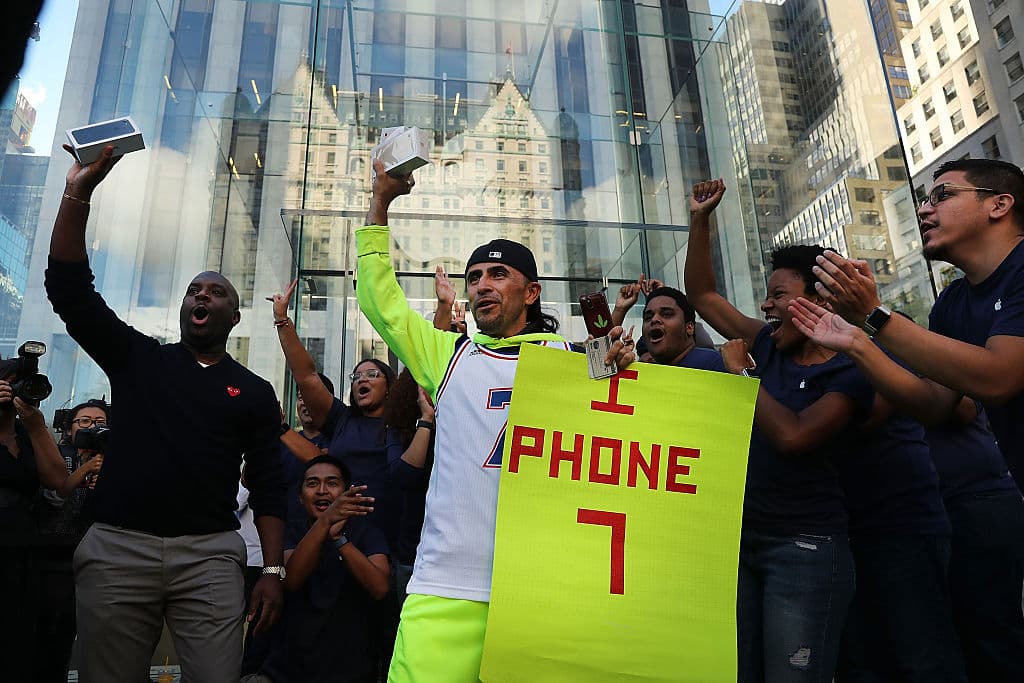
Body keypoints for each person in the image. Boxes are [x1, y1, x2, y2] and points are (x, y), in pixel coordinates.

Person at [358, 159, 634, 681]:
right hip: (445, 587)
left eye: (498, 274)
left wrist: (621, 361)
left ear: (531, 292)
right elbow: (381, 303)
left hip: (539, 592)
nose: (482, 285)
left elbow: (620, 409)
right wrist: (381, 201)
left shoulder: (571, 358)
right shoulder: (448, 356)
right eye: (474, 278)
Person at [45, 144, 286, 681]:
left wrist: (272, 569)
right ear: (184, 309)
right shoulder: (138, 359)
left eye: (216, 292)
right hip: (117, 550)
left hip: (210, 559)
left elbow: (270, 485)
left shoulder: (254, 392)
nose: (202, 295)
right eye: (194, 290)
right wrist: (77, 193)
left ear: (234, 314)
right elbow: (68, 290)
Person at [686, 179, 873, 682]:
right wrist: (700, 219)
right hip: (745, 543)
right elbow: (703, 295)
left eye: (778, 296)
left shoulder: (851, 370)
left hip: (805, 550)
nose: (765, 308)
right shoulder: (768, 344)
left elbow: (793, 436)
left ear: (821, 303)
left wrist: (743, 378)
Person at [790, 302, 1024, 681]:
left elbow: (957, 407)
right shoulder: (861, 361)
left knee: (984, 634)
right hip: (911, 514)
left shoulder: (915, 361)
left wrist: (898, 368)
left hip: (972, 503)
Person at [804, 159, 1024, 487]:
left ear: (999, 204)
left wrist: (874, 315)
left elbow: (999, 377)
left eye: (942, 196)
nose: (923, 211)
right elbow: (933, 405)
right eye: (923, 200)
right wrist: (858, 343)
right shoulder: (951, 303)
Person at [252, 455, 388, 683]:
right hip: (288, 670)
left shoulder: (367, 533)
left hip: (351, 670)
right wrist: (325, 523)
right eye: (312, 483)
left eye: (332, 483)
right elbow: (292, 579)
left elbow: (380, 588)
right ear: (299, 496)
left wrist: (339, 540)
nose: (322, 490)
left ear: (347, 492)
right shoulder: (290, 533)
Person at [0, 379, 75, 681]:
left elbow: (57, 479)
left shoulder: (26, 433)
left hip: (23, 553)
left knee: (21, 644)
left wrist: (34, 426)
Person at [33, 399, 109, 683]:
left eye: (100, 422)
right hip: (56, 559)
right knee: (51, 635)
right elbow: (50, 498)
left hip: (101, 558)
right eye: (85, 422)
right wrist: (83, 470)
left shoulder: (119, 458)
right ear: (69, 426)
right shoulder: (54, 452)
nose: (93, 428)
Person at [641, 286, 725, 371]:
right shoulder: (644, 371)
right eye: (648, 317)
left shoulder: (714, 364)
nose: (654, 319)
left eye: (666, 314)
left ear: (689, 328)